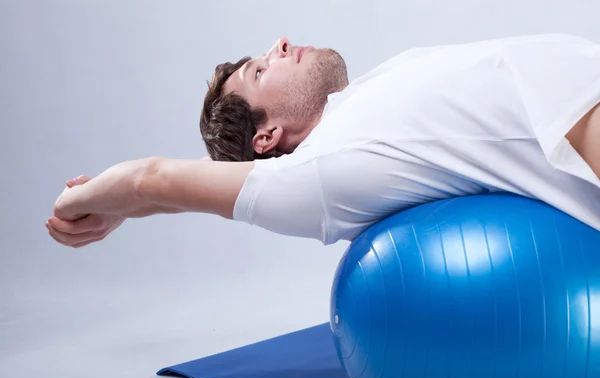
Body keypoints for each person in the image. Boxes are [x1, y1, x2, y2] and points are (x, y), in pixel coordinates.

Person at [46, 34, 600, 249]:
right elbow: (153, 177)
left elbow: (160, 188)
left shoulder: (358, 102)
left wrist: (132, 209)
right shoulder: (322, 172)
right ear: (266, 137)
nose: (281, 44)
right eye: (262, 70)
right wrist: (86, 200)